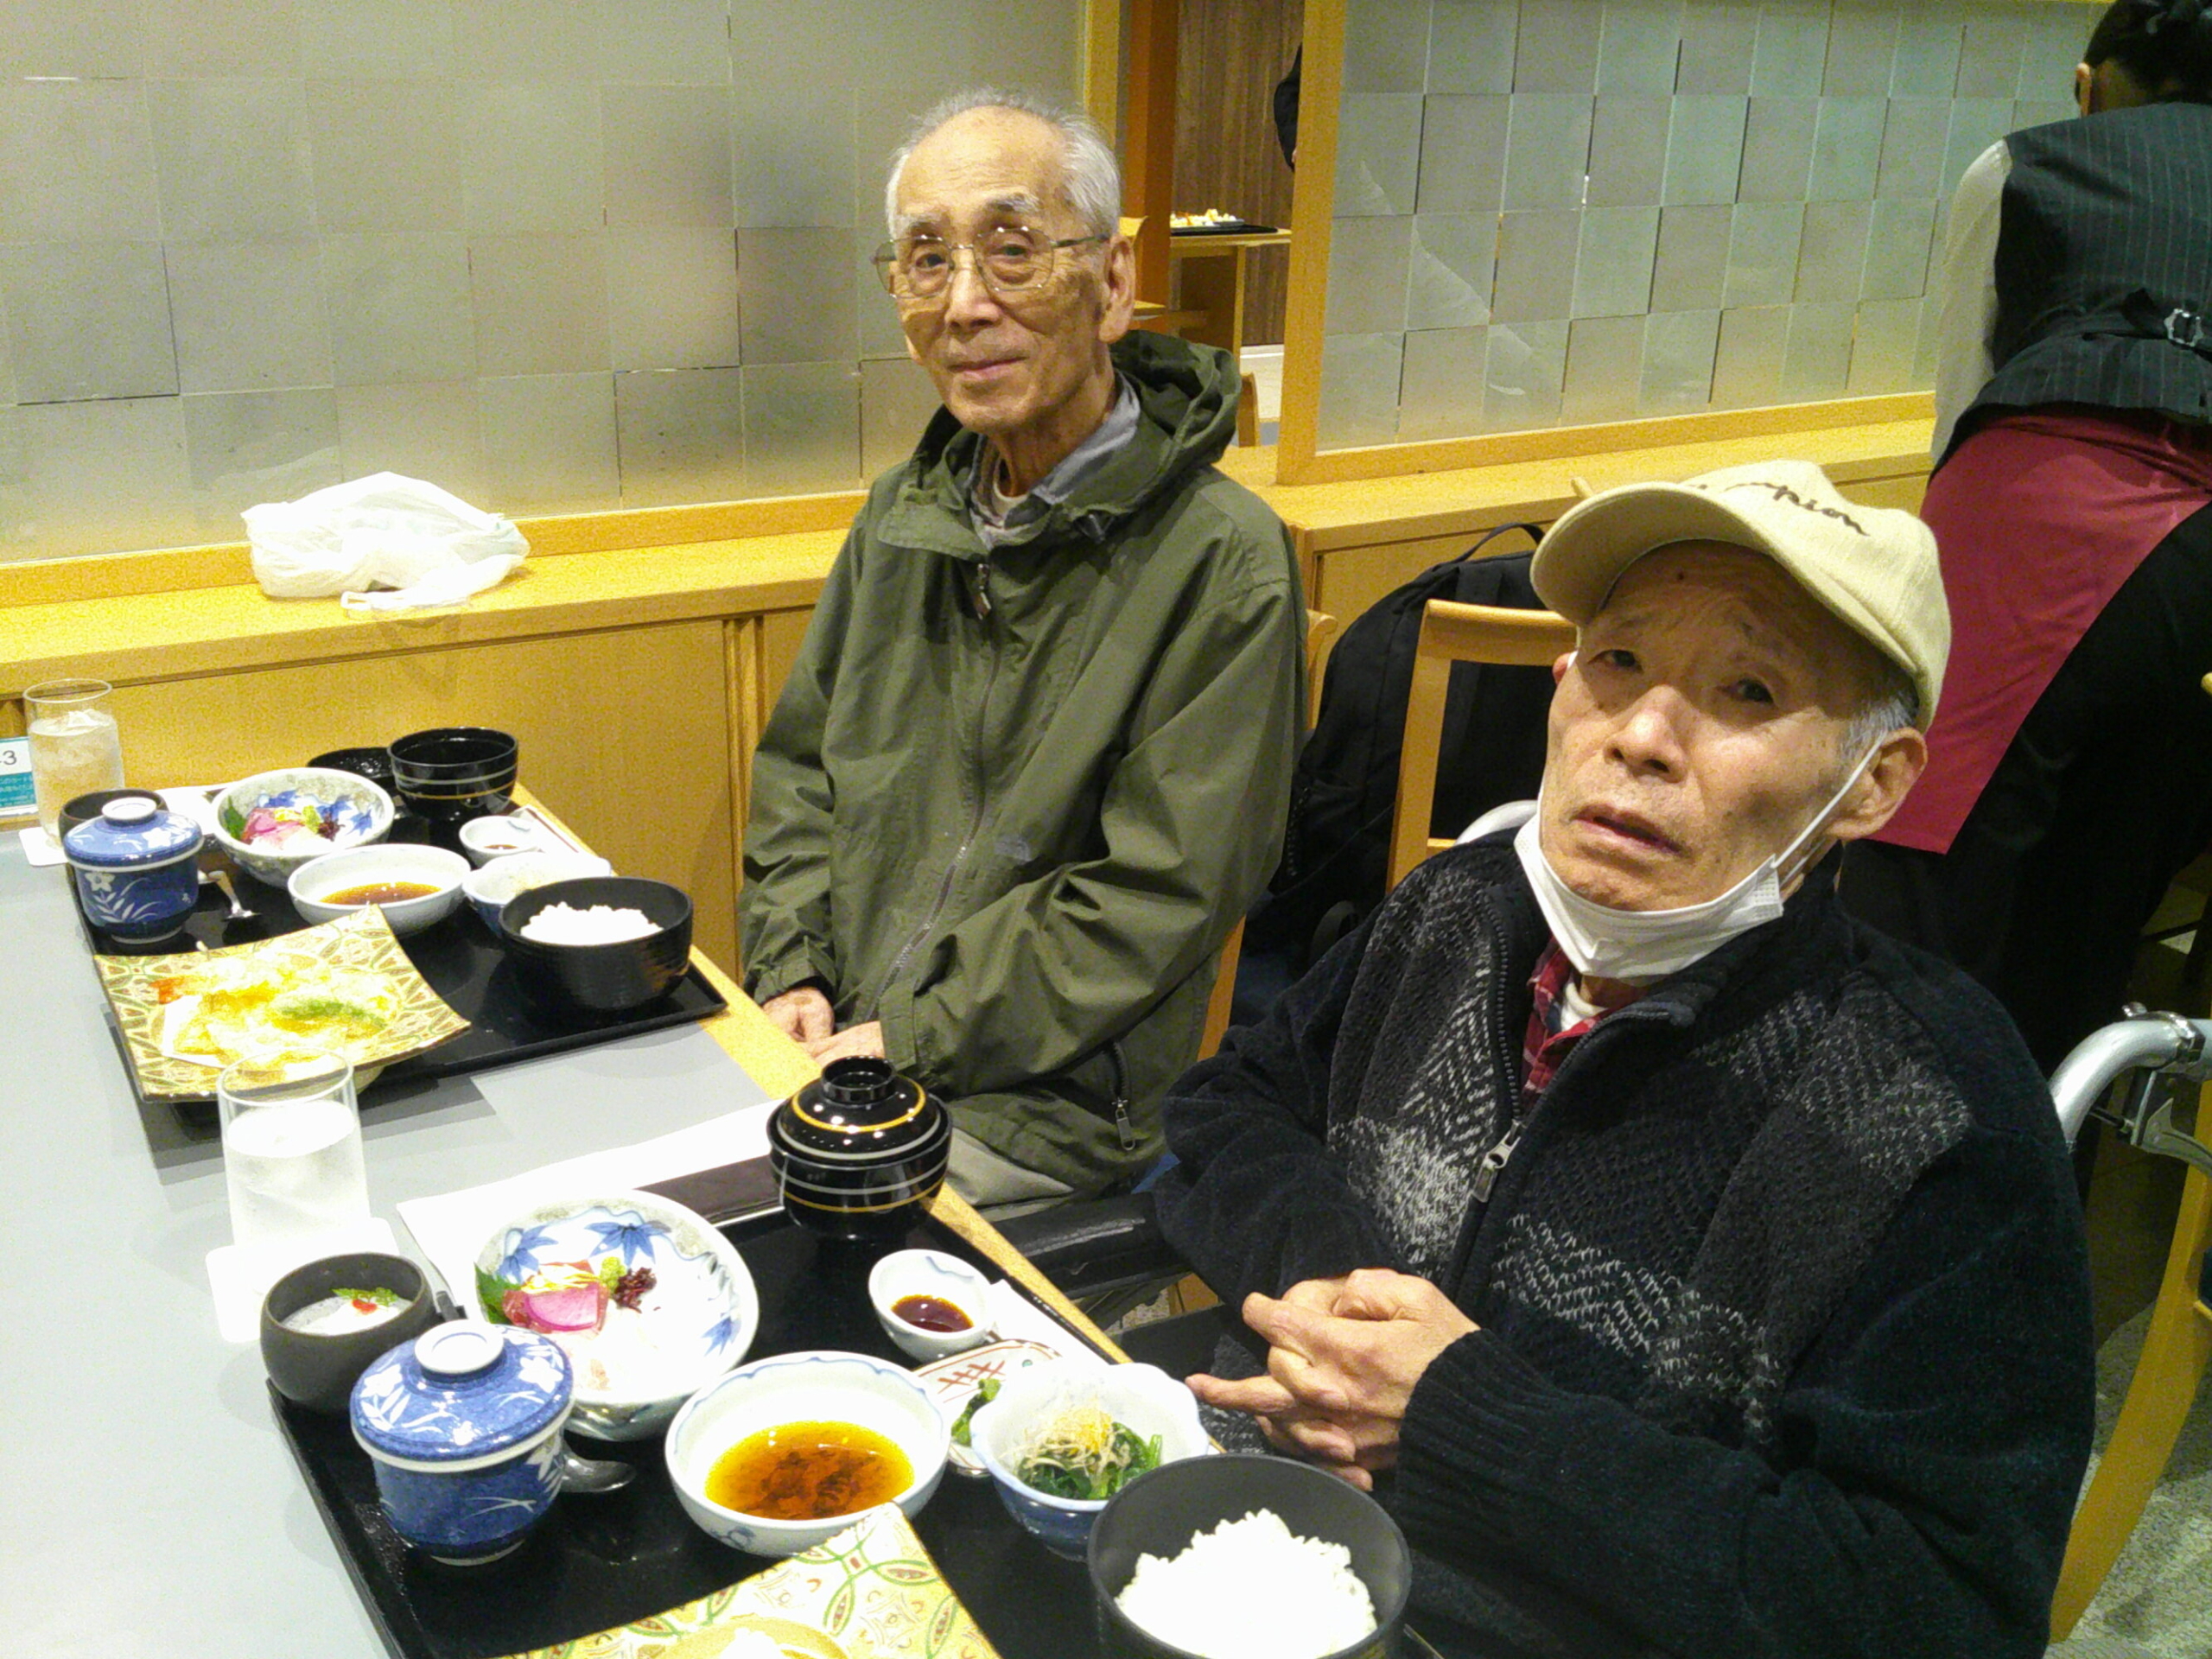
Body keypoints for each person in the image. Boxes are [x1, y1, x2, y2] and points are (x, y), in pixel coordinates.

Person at [1154, 461, 2095, 1656]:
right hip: (1251, 1557)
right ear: (1562, 684)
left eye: (1747, 689)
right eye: (1620, 663)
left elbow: (1936, 1604)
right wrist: (1339, 1310)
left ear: (1874, 784)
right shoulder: (1455, 909)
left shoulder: (1933, 1102)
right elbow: (1231, 1108)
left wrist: (1462, 1417)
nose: (1643, 735)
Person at [738, 89, 1305, 1209]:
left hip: (1043, 1100)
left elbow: (1155, 898)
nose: (965, 305)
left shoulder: (1223, 560)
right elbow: (799, 773)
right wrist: (792, 968)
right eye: (925, 259)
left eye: (1011, 249)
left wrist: (903, 1034)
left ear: (1112, 285)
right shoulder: (906, 514)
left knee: (745, 1230)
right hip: (839, 1043)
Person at [1840, 0, 2212, 1076]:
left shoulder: (2029, 165)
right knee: (2094, 922)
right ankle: (2039, 1195)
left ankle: (1853, 1188)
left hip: (2047, 517)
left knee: (1910, 888)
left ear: (2090, 85)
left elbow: (1965, 401)